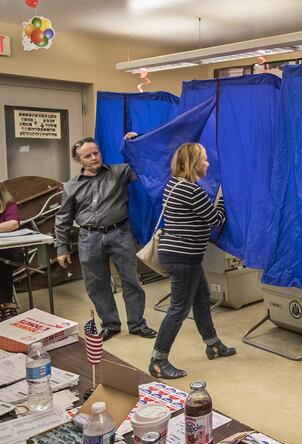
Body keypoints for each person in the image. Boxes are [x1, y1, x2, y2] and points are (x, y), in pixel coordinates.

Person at [54, 137, 157, 340]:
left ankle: (137, 324)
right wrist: (61, 248)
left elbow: (145, 166)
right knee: (96, 284)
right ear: (78, 160)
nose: (94, 158)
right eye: (87, 155)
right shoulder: (71, 186)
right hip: (88, 238)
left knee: (131, 280)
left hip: (119, 233)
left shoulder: (119, 172)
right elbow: (63, 217)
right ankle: (110, 324)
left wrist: (133, 143)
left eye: (96, 152)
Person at [149, 142, 235, 379]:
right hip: (182, 258)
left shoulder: (173, 185)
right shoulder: (190, 190)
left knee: (201, 300)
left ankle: (213, 343)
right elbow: (215, 219)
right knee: (178, 308)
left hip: (184, 257)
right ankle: (158, 360)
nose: (208, 163)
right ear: (194, 163)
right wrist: (226, 197)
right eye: (205, 159)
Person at [0, 182, 22, 320]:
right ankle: (7, 303)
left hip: (11, 252)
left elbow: (13, 224)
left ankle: (6, 303)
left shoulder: (10, 206)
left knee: (2, 262)